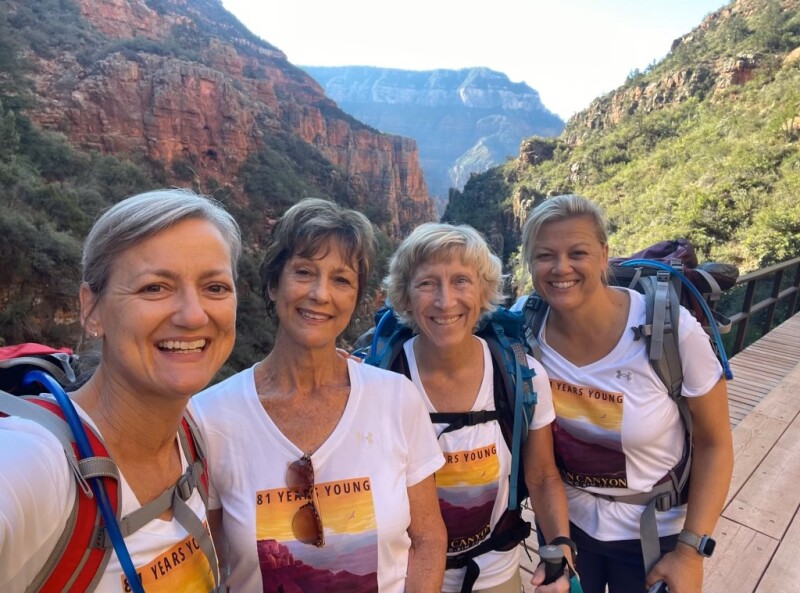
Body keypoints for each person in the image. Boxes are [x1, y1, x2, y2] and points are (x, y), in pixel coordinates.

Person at [190, 197, 447, 593]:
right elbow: (211, 566)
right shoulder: (210, 418)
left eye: (341, 280)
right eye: (304, 272)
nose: (320, 294)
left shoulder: (396, 400)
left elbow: (429, 539)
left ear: (357, 299)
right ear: (274, 285)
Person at [0, 188, 241, 592]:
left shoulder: (192, 437)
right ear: (91, 309)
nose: (193, 314)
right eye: (154, 288)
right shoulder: (35, 462)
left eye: (215, 287)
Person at [515, 194, 733, 593]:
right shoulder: (526, 330)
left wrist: (690, 551)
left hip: (656, 534)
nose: (561, 267)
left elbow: (715, 443)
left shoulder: (671, 330)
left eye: (577, 252)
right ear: (530, 264)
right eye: (545, 255)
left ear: (603, 256)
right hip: (567, 528)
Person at [381, 222, 575, 593]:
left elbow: (542, 477)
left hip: (495, 571)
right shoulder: (382, 383)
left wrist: (560, 548)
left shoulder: (522, 376)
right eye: (426, 283)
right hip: (407, 577)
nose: (444, 301)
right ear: (404, 296)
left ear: (483, 290)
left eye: (461, 281)